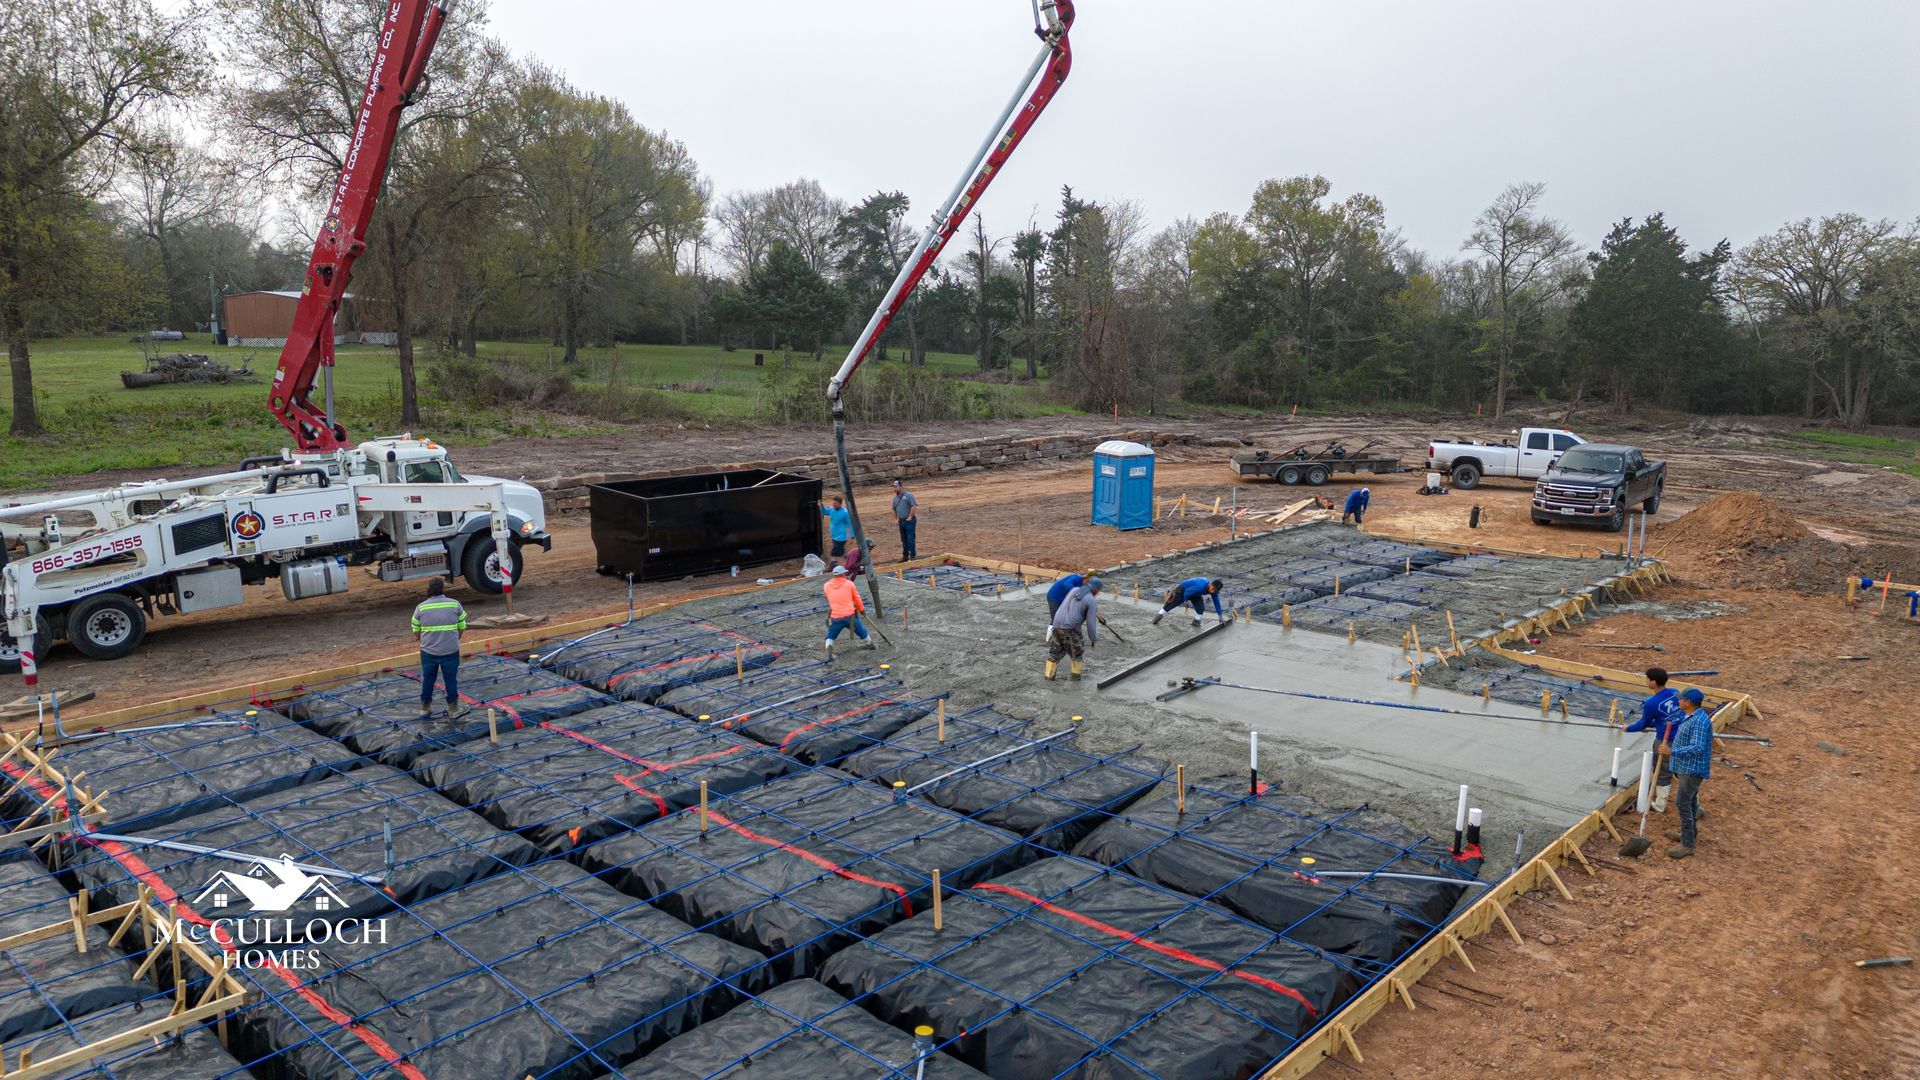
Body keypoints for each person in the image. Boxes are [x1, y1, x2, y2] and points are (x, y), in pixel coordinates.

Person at [1663, 688, 1713, 858]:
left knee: (1682, 803)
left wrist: (1672, 752)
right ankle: (1689, 833)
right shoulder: (1692, 716)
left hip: (1691, 769)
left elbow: (1698, 747)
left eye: (1681, 699)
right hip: (1686, 767)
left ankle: (1687, 844)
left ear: (1688, 702)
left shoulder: (1699, 721)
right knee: (1690, 802)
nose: (1678, 702)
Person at [1625, 667, 1684, 812]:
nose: (1645, 681)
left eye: (1647, 678)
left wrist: (1628, 728)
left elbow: (1643, 723)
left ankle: (1659, 805)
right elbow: (1662, 718)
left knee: (1663, 772)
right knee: (1683, 771)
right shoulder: (1675, 692)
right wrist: (1652, 724)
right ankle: (1692, 801)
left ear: (1653, 682)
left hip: (1666, 740)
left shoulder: (1651, 703)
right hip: (1683, 736)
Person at [411, 578, 468, 719]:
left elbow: (415, 630)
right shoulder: (455, 604)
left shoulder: (421, 607)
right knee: (450, 680)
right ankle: (453, 708)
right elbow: (462, 626)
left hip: (428, 652)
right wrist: (454, 640)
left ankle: (425, 707)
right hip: (450, 650)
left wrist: (424, 641)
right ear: (443, 589)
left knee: (428, 679)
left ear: (429, 589)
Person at [1046, 577, 1102, 681]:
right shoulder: (1091, 600)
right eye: (1098, 590)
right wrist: (1093, 639)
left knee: (1055, 652)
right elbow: (1091, 624)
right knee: (1077, 652)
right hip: (1070, 628)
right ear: (1095, 589)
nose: (1098, 593)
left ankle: (1048, 676)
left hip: (1056, 624)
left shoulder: (1073, 590)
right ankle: (1075, 678)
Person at [822, 565, 875, 658]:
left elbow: (833, 598)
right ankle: (870, 643)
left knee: (831, 634)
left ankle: (829, 645)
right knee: (861, 630)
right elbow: (857, 598)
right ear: (843, 574)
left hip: (836, 616)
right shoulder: (849, 584)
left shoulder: (826, 586)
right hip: (849, 616)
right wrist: (862, 610)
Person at [1152, 577, 1225, 626]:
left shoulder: (1213, 591)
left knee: (1200, 607)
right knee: (1172, 603)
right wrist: (1185, 601)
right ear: (1211, 584)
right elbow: (1187, 592)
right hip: (1183, 589)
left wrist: (1220, 616)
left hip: (1195, 593)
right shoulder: (1200, 586)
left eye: (1215, 591)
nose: (1213, 592)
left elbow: (1216, 602)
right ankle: (1159, 615)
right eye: (1213, 589)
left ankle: (1196, 621)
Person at [891, 479, 919, 560]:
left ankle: (912, 556)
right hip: (901, 521)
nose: (894, 489)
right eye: (893, 487)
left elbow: (913, 506)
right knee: (904, 539)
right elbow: (893, 509)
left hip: (909, 521)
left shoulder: (908, 495)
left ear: (901, 487)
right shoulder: (895, 499)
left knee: (910, 539)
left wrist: (910, 517)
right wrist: (895, 519)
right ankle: (905, 556)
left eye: (896, 487)